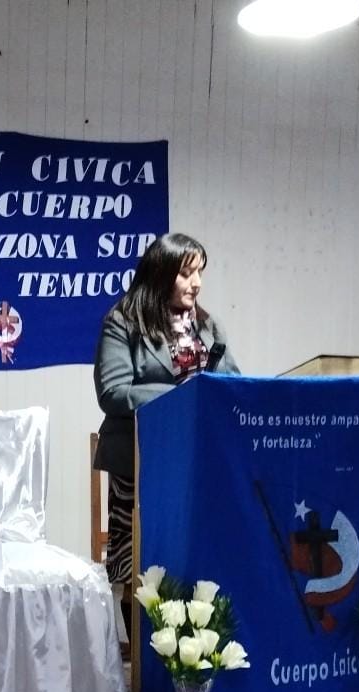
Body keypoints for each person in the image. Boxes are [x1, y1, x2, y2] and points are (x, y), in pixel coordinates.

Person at [93, 232, 241, 597]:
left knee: (196, 558)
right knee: (139, 568)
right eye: (186, 274)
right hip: (140, 461)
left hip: (198, 464)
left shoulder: (209, 327)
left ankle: (198, 627)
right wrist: (184, 398)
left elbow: (232, 385)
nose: (197, 283)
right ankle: (139, 633)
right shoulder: (123, 322)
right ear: (160, 273)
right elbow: (113, 392)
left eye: (200, 273)